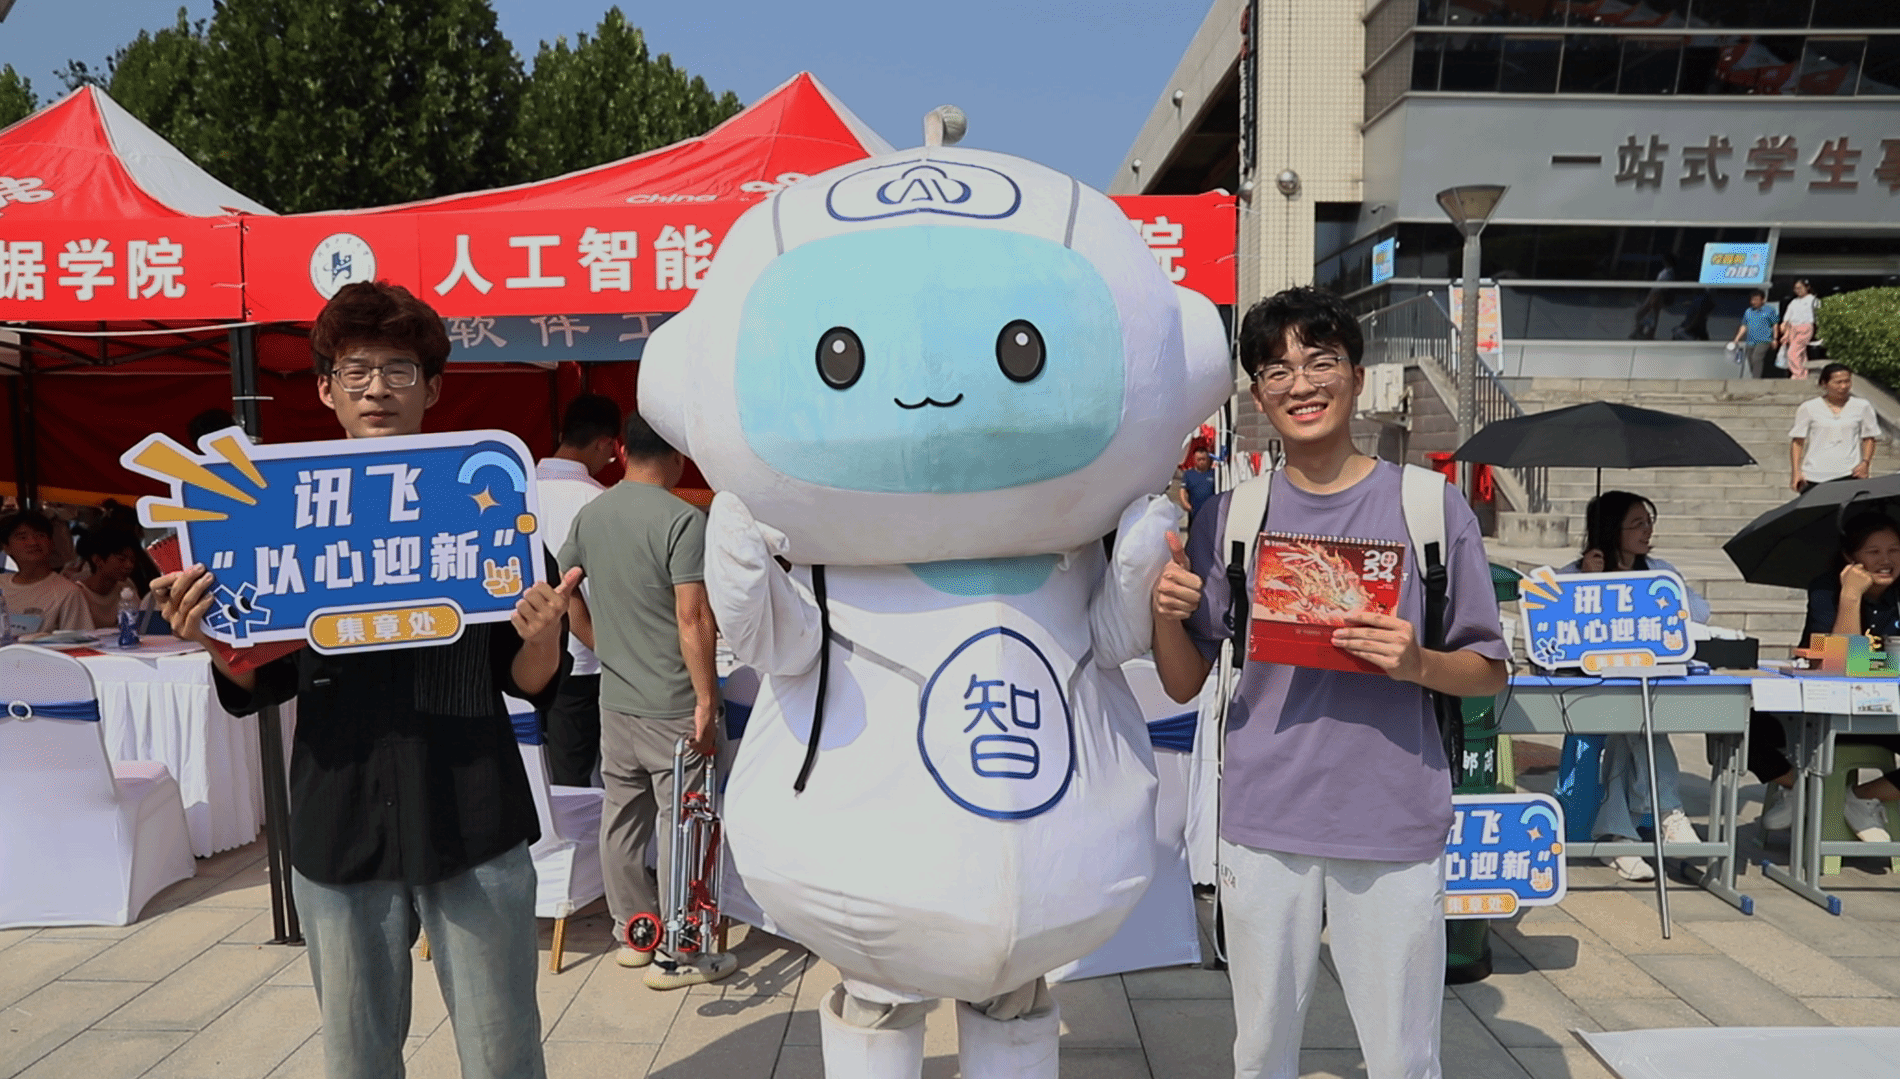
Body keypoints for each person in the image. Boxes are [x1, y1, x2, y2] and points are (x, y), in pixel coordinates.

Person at [151, 281, 576, 1079]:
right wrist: (209, 635)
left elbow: (526, 679)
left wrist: (545, 635)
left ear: (433, 388)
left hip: (471, 814)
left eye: (398, 370)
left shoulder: (486, 510)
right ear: (326, 389)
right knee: (357, 1059)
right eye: (355, 371)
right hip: (339, 820)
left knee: (503, 1054)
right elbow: (260, 680)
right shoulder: (275, 518)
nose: (377, 387)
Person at [1152, 285, 1508, 1079]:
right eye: (1277, 370)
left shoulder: (1429, 507)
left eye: (1320, 361)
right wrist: (1166, 613)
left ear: (1356, 375)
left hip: (1392, 819)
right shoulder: (1232, 519)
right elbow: (1183, 683)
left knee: (1403, 1056)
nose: (1301, 384)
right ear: (1257, 395)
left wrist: (1417, 663)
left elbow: (1487, 671)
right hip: (1264, 820)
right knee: (1260, 1051)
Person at [557, 411, 734, 990]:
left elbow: (566, 587)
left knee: (623, 818)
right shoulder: (682, 519)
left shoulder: (592, 513)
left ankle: (635, 935)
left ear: (623, 449)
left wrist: (599, 643)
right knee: (684, 823)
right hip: (674, 702)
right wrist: (706, 699)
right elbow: (694, 615)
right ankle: (679, 953)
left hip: (616, 698)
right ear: (678, 455)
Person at [1568, 491, 1710, 882]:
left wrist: (1657, 593)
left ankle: (1619, 836)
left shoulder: (1659, 571)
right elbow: (1556, 618)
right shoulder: (1579, 570)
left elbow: (1700, 612)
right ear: (1611, 529)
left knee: (1633, 729)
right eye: (1637, 524)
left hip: (1647, 683)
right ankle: (1667, 811)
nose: (1647, 531)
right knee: (1639, 724)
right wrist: (1587, 583)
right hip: (1592, 690)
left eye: (1649, 522)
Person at [1751, 512, 1900, 841]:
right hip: (1817, 715)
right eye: (1873, 552)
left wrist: (1869, 661)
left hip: (1885, 713)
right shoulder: (1825, 588)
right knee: (1740, 726)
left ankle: (1860, 798)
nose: (1886, 560)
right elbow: (1836, 663)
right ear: (1850, 557)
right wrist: (1850, 597)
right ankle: (1801, 788)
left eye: (1894, 550)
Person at [533, 393, 622, 787]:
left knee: (532, 772)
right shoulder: (598, 501)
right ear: (604, 442)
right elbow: (609, 591)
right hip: (580, 660)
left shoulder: (515, 491)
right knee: (578, 781)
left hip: (516, 652)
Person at [1789, 363, 1879, 495]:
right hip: (1814, 475)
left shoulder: (1862, 406)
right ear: (1824, 383)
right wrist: (1796, 471)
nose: (1843, 386)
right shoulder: (1809, 407)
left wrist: (1865, 463)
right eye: (1838, 382)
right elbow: (1798, 441)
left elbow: (1869, 438)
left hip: (1850, 473)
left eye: (1847, 381)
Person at [1, 509, 92, 636]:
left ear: (51, 543)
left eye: (40, 535)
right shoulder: (2, 583)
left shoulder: (67, 593)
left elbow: (80, 642)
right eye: (22, 537)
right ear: (6, 547)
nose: (33, 542)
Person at [75, 527, 144, 629]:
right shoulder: (78, 593)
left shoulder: (126, 586)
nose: (129, 565)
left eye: (132, 560)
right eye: (121, 559)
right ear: (98, 560)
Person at [1729, 289, 1780, 379]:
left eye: (1756, 299)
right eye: (1752, 300)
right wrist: (1737, 338)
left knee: (1757, 358)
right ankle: (1756, 376)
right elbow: (1744, 326)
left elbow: (1775, 325)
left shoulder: (1770, 310)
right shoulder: (1748, 311)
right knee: (1750, 360)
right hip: (1750, 341)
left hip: (1764, 340)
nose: (1753, 302)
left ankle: (1756, 380)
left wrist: (1775, 339)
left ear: (1763, 300)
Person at [1779, 278, 1819, 380]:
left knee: (1792, 353)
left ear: (1807, 288)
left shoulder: (1813, 300)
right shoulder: (1794, 302)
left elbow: (1818, 315)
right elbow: (1787, 318)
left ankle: (1798, 374)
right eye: (1796, 288)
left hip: (1805, 327)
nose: (1798, 290)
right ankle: (1803, 374)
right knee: (1800, 353)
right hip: (1793, 328)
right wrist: (1785, 329)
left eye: (1800, 288)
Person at [1175, 445, 1217, 523]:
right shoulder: (1188, 474)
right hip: (1194, 514)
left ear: (1208, 459)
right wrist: (1185, 503)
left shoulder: (1214, 473)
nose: (1201, 462)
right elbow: (1182, 490)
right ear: (1194, 459)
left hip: (1211, 514)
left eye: (1203, 459)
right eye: (1199, 459)